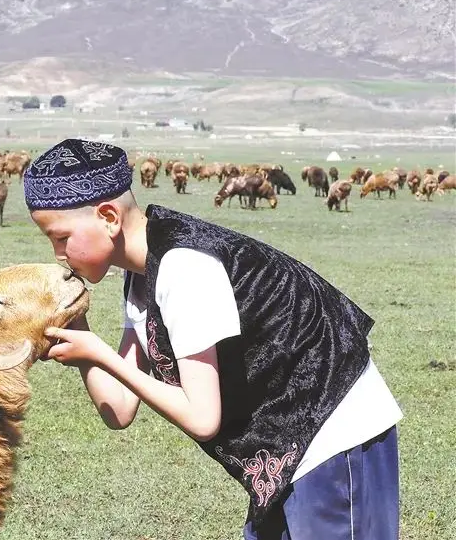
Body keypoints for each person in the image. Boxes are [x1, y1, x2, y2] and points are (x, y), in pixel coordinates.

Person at [23, 138, 402, 540]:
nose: (58, 254)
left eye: (61, 237)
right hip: (287, 441)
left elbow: (203, 419)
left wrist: (98, 351)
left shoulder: (184, 267)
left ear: (108, 217)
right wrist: (78, 330)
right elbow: (118, 408)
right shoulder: (141, 275)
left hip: (333, 431)